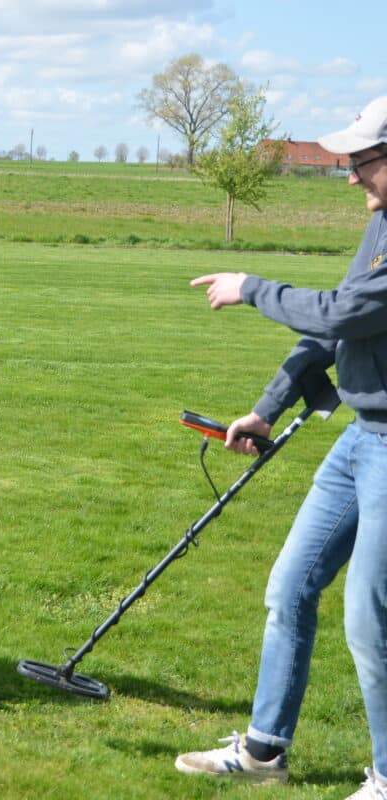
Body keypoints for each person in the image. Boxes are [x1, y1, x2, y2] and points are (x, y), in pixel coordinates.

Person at [173, 96, 387, 799]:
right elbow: (334, 330)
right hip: (361, 439)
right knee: (290, 586)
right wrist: (269, 407)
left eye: (361, 161)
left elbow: (345, 311)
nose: (350, 175)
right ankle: (265, 751)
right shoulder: (381, 225)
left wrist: (252, 288)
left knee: (370, 619)